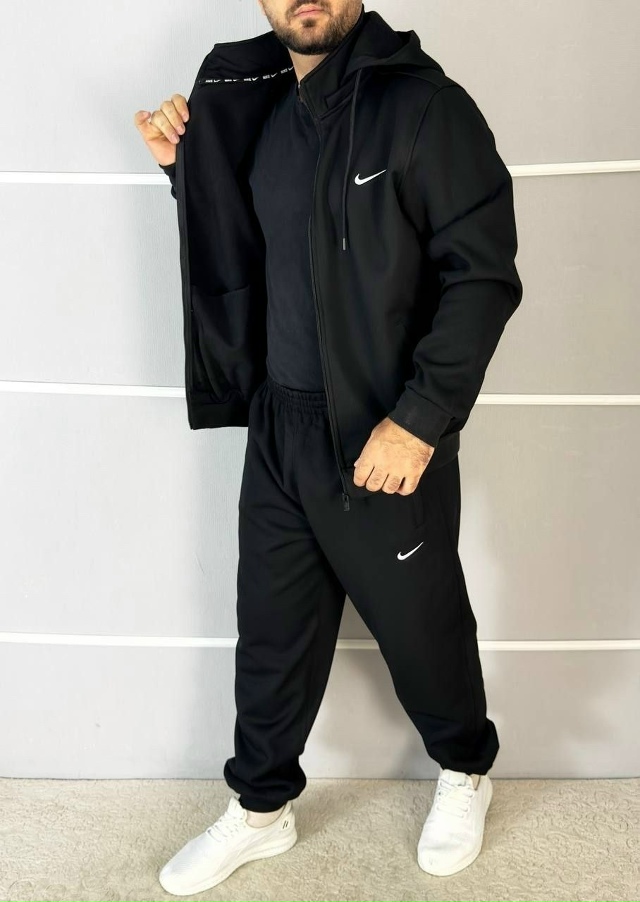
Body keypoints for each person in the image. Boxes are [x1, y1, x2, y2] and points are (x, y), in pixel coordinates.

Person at [134, 0, 523, 894]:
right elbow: (253, 243)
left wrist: (421, 419)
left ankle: (466, 769)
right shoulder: (256, 106)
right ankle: (260, 809)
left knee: (422, 627)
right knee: (272, 634)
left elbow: (482, 276)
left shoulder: (427, 108)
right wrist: (181, 172)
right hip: (281, 426)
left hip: (382, 428)